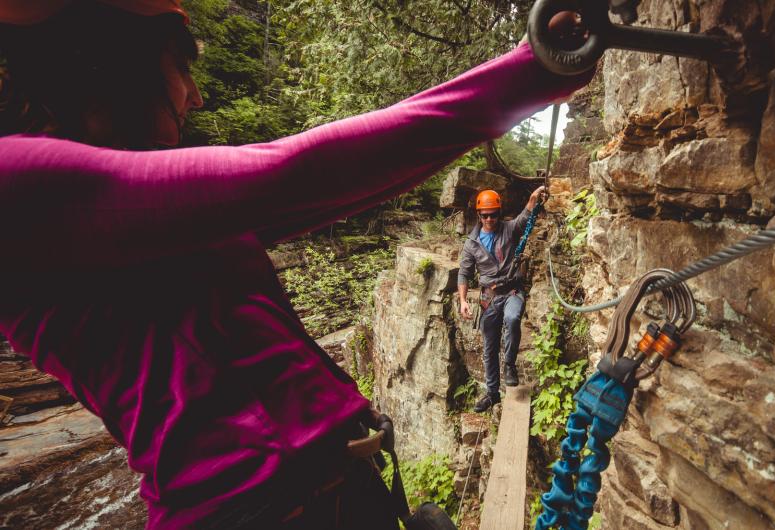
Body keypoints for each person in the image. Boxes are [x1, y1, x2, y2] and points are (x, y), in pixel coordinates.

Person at [0, 1, 592, 528]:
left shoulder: (137, 214)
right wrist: (534, 69)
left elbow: (342, 188)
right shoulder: (18, 185)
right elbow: (295, 174)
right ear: (112, 64)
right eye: (181, 66)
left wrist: (539, 68)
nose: (196, 95)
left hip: (327, 492)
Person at [457, 186, 545, 412]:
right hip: (489, 298)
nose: (489, 219)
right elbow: (464, 273)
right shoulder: (471, 243)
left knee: (513, 318)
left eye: (493, 214)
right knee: (489, 347)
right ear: (479, 215)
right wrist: (464, 300)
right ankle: (492, 393)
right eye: (485, 215)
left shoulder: (509, 229)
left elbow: (525, 218)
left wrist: (533, 198)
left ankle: (509, 365)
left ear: (499, 212)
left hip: (512, 290)